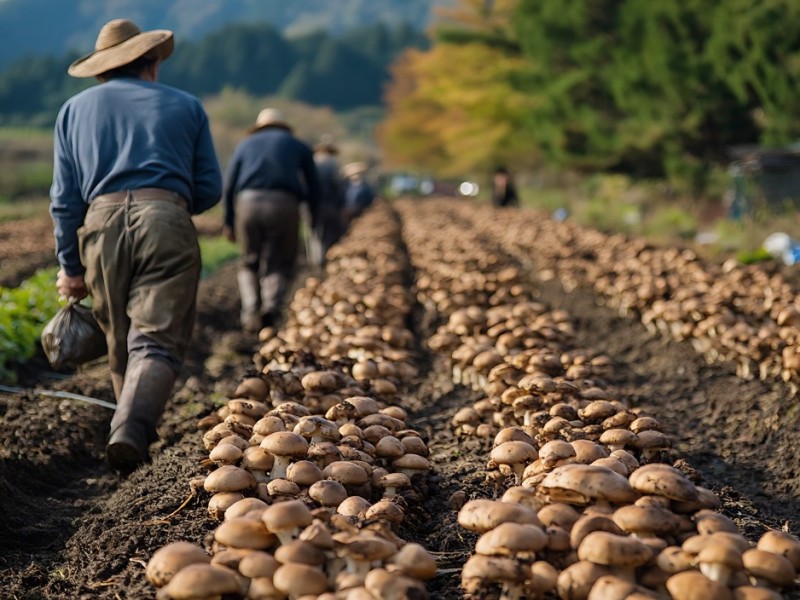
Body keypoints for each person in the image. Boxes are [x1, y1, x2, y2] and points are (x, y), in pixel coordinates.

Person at [50, 19, 223, 473]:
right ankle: (131, 428)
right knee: (156, 337)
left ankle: (132, 430)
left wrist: (70, 265)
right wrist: (172, 202)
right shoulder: (187, 106)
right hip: (165, 217)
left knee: (119, 337)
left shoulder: (73, 111)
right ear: (150, 64)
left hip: (100, 222)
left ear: (102, 71)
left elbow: (65, 200)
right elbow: (208, 188)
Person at [223, 108, 320, 333]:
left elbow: (229, 186)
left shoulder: (245, 145)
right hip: (285, 205)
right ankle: (271, 306)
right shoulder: (298, 145)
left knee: (249, 261)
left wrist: (228, 221)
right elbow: (314, 186)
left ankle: (250, 310)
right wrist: (313, 217)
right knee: (280, 261)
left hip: (248, 204)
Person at [311, 134, 347, 265]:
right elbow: (339, 185)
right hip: (330, 204)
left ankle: (318, 261)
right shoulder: (333, 163)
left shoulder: (312, 161)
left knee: (316, 233)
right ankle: (330, 259)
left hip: (313, 204)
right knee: (331, 232)